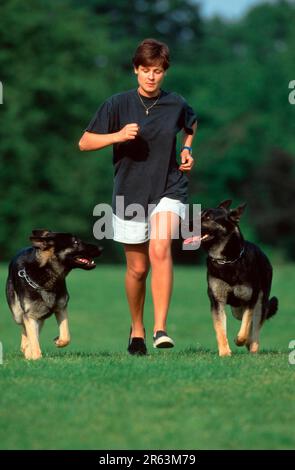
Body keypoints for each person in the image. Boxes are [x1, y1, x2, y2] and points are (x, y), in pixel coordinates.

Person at [79, 38, 197, 355]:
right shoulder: (116, 104)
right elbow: (84, 142)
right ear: (136, 70)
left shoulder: (176, 103)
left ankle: (160, 328)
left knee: (160, 248)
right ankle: (137, 329)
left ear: (164, 73)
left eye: (157, 71)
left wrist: (186, 149)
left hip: (169, 187)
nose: (151, 76)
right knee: (137, 269)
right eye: (145, 70)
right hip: (129, 193)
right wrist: (117, 135)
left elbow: (191, 121)